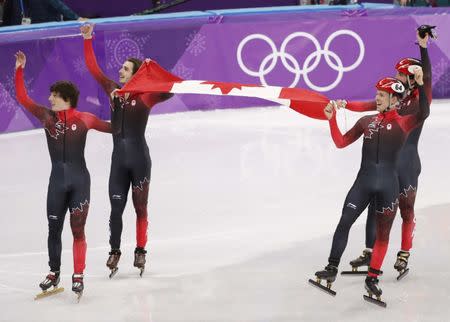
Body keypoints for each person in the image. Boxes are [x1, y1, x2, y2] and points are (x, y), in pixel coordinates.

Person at [312, 69, 429, 301]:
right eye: (377, 93)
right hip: (362, 183)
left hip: (389, 187)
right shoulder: (366, 122)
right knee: (344, 222)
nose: (377, 98)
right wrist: (331, 120)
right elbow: (341, 142)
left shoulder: (404, 123)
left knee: (383, 236)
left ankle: (372, 279)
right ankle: (331, 268)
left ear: (394, 100)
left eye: (382, 95)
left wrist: (422, 84)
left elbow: (423, 111)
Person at [14, 51, 114, 298]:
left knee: (78, 230)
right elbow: (22, 98)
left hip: (80, 182)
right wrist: (19, 69)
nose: (49, 99)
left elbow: (115, 128)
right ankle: (54, 272)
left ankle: (78, 274)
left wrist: (121, 105)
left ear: (66, 99)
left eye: (54, 96)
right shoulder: (47, 117)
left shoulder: (86, 119)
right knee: (53, 229)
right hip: (56, 183)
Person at [80, 23, 173, 277]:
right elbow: (93, 68)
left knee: (140, 208)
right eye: (121, 68)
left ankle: (140, 250)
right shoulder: (113, 92)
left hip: (140, 160)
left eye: (125, 68)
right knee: (116, 209)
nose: (120, 70)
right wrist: (88, 38)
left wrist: (152, 74)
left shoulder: (146, 96)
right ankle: (115, 250)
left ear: (135, 74)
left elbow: (170, 89)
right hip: (118, 162)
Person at [339, 29, 432, 278]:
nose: (396, 77)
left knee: (406, 210)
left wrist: (423, 48)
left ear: (413, 78)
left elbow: (428, 79)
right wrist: (343, 104)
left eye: (401, 74)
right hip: (388, 164)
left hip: (408, 163)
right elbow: (367, 105)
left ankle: (404, 253)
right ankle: (371, 251)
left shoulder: (422, 99)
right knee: (374, 206)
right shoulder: (394, 98)